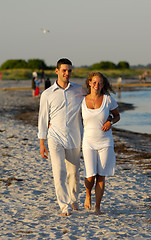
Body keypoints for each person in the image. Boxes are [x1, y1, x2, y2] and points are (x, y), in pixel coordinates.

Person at [38, 58, 86, 216]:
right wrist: (42, 143)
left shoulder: (79, 90)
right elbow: (43, 119)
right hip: (54, 138)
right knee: (59, 172)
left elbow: (95, 99)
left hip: (74, 138)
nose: (67, 73)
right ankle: (64, 206)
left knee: (74, 173)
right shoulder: (47, 94)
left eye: (69, 70)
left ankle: (73, 200)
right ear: (57, 71)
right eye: (64, 70)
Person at [81, 72, 120, 215]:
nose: (97, 85)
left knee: (101, 175)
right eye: (94, 82)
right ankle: (87, 194)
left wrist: (110, 122)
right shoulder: (82, 100)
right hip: (88, 142)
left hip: (105, 142)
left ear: (103, 85)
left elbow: (117, 116)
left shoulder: (108, 100)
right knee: (90, 175)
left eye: (100, 83)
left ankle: (97, 207)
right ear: (89, 83)